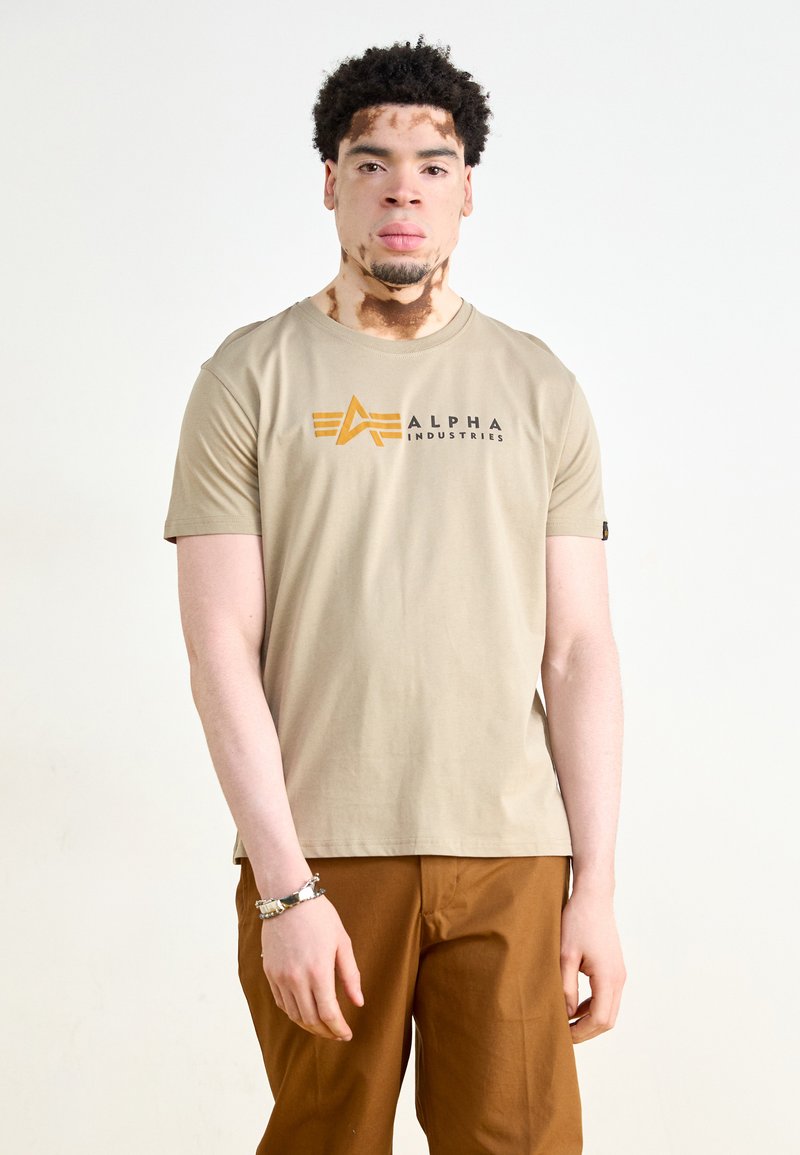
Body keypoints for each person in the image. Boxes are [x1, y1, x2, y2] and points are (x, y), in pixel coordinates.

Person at [163, 35, 626, 1155]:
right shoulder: (249, 375)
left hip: (512, 855)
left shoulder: (537, 384)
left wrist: (595, 890)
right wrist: (283, 888)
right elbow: (221, 644)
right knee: (327, 1141)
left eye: (431, 164)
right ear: (330, 184)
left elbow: (577, 652)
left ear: (467, 190)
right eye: (370, 165)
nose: (400, 191)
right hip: (325, 854)